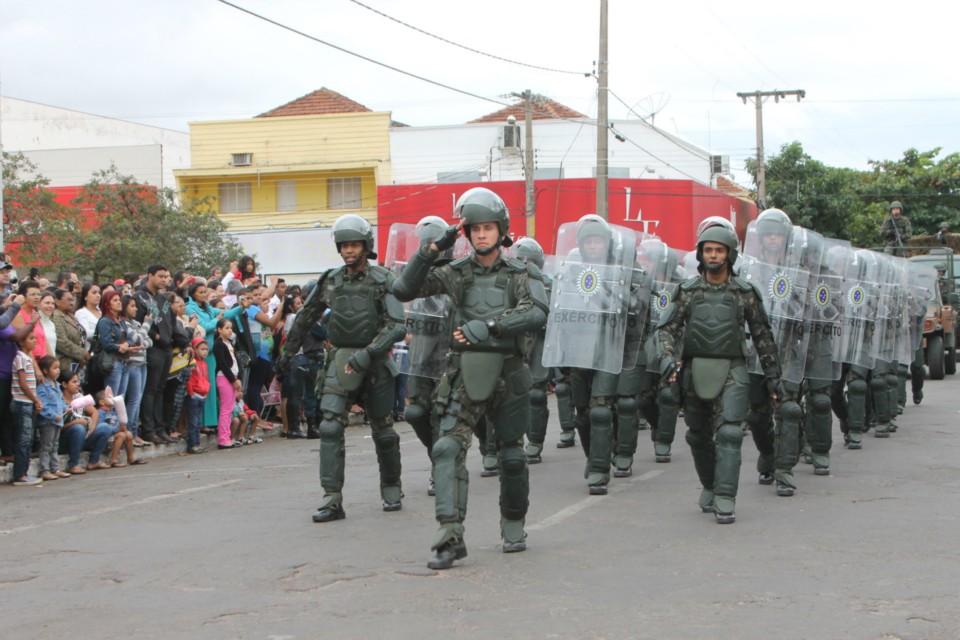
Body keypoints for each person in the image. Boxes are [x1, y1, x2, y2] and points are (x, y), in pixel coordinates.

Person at [392, 187, 549, 569]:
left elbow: (536, 311)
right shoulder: (455, 274)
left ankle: (513, 525)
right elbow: (402, 289)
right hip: (463, 373)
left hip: (509, 373)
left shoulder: (521, 273)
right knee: (447, 448)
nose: (480, 234)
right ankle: (449, 535)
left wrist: (492, 325)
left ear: (501, 230)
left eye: (488, 228)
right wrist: (431, 250)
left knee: (512, 456)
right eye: (474, 228)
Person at [279, 214, 407, 524]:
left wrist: (371, 352)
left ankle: (391, 487)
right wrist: (286, 352)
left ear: (366, 246)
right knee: (330, 427)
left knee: (383, 430)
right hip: (339, 361)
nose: (349, 250)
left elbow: (397, 326)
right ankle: (331, 498)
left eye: (354, 244)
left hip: (375, 363)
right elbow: (307, 316)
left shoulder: (383, 279)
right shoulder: (330, 280)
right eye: (344, 245)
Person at [656, 222, 781, 524]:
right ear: (701, 254)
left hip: (733, 371)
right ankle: (710, 485)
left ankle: (726, 496)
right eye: (708, 250)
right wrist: (667, 360)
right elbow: (665, 330)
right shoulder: (686, 292)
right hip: (694, 369)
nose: (713, 256)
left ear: (730, 254)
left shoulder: (745, 293)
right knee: (698, 437)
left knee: (729, 433)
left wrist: (774, 377)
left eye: (719, 250)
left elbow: (763, 335)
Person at [134, 265, 178, 446]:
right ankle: (148, 429)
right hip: (153, 349)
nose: (164, 279)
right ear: (150, 276)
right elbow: (137, 322)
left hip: (167, 349)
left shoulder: (163, 299)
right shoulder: (140, 297)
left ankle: (160, 428)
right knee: (150, 390)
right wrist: (155, 335)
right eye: (160, 276)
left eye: (166, 276)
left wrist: (183, 341)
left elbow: (172, 322)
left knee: (161, 389)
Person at [11, 331, 43, 485]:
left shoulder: (28, 358)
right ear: (22, 342)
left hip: (28, 403)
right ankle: (20, 475)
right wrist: (35, 399)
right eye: (31, 339)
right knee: (23, 440)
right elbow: (23, 384)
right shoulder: (21, 358)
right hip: (22, 403)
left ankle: (24, 472)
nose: (35, 341)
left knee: (28, 439)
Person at [122, 295, 152, 447]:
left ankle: (134, 432)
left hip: (142, 363)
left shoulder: (135, 323)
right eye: (132, 306)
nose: (135, 309)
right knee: (133, 400)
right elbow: (140, 339)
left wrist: (142, 337)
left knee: (138, 399)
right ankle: (129, 432)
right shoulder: (125, 324)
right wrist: (147, 324)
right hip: (133, 363)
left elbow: (148, 341)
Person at [35, 355, 71, 480]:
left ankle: (55, 468)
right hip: (48, 421)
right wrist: (53, 415)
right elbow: (42, 405)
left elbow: (60, 399)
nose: (58, 370)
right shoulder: (42, 386)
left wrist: (65, 407)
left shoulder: (57, 385)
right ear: (45, 370)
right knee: (46, 445)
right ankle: (45, 470)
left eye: (58, 368)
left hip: (58, 420)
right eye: (55, 368)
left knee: (55, 445)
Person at [96, 290, 134, 398]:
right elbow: (106, 343)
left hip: (125, 362)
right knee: (112, 398)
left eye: (119, 300)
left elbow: (130, 338)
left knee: (120, 399)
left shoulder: (121, 320)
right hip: (113, 363)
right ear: (107, 304)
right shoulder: (104, 321)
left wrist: (127, 344)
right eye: (115, 300)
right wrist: (119, 347)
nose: (119, 302)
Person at [212, 318, 243, 449]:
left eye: (231, 328)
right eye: (226, 328)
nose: (230, 330)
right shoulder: (218, 344)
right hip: (225, 378)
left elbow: (236, 361)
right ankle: (223, 439)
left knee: (230, 409)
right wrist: (233, 380)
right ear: (219, 329)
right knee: (225, 409)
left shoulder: (229, 343)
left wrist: (239, 377)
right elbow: (223, 364)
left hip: (233, 377)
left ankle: (228, 436)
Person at [52, 289, 89, 378]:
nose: (72, 303)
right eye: (68, 300)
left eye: (72, 300)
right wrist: (83, 354)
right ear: (57, 302)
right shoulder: (55, 317)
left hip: (77, 362)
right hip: (65, 363)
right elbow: (62, 342)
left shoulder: (72, 317)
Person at [185, 336, 210, 454]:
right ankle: (193, 444)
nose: (205, 351)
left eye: (206, 349)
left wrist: (207, 390)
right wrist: (191, 393)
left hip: (202, 395)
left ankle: (197, 443)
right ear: (195, 349)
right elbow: (189, 379)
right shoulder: (192, 363)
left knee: (198, 421)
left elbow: (206, 378)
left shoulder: (204, 363)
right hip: (194, 395)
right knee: (193, 421)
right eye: (202, 349)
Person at [75, 283, 103, 349]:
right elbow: (86, 333)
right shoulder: (81, 313)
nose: (98, 295)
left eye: (99, 293)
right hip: (91, 350)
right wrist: (105, 332)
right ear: (86, 296)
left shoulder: (102, 312)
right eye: (94, 293)